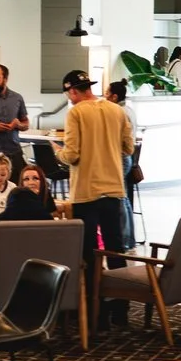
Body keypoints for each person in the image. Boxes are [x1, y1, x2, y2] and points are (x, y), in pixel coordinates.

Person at [59, 70, 137, 329]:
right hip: (113, 189)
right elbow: (128, 147)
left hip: (86, 191)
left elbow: (72, 154)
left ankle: (96, 310)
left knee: (90, 252)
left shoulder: (76, 113)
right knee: (115, 249)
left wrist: (58, 153)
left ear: (72, 91)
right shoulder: (116, 110)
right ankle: (121, 308)